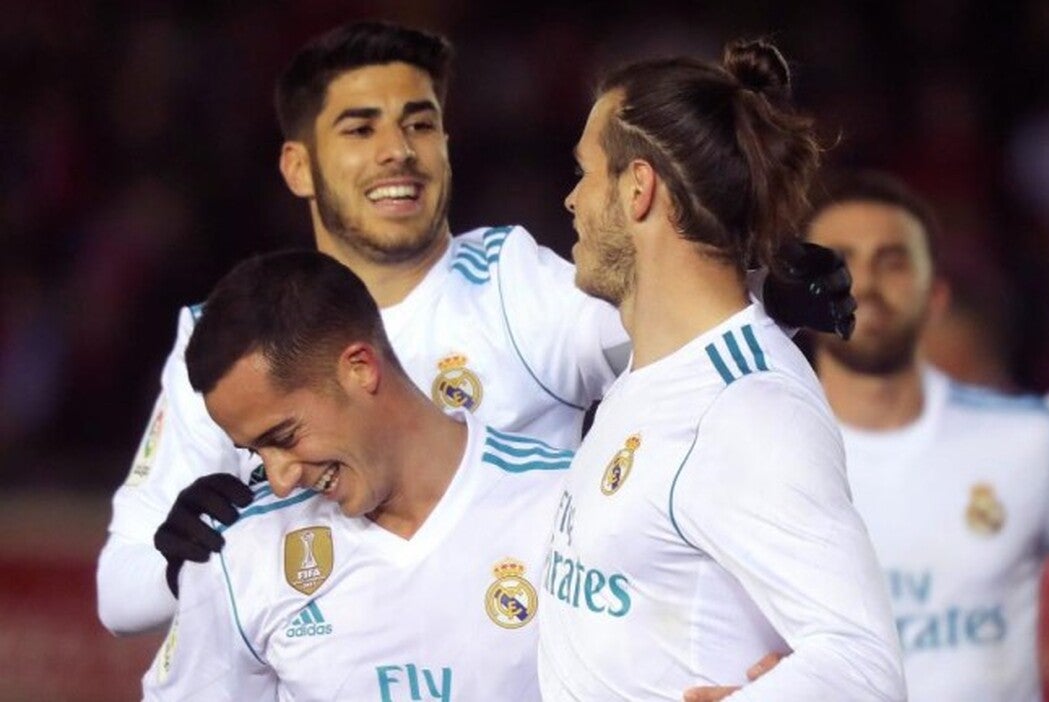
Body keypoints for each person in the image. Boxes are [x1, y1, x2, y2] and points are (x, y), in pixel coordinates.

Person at [98, 20, 854, 636]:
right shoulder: (229, 348)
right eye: (360, 128)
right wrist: (180, 562)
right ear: (298, 167)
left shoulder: (513, 287)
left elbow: (670, 323)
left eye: (420, 123)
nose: (398, 150)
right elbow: (117, 594)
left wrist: (766, 289)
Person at [537, 41, 904, 701]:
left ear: (638, 188)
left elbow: (864, 668)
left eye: (584, 172)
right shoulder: (656, 371)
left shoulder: (748, 409)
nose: (571, 199)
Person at [801, 171, 1049, 701]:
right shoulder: (754, 447)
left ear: (935, 297)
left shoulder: (1028, 440)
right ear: (802, 299)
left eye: (892, 262)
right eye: (841, 261)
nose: (864, 284)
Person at [141, 249, 569, 699]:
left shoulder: (561, 503)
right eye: (255, 452)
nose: (280, 479)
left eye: (284, 436)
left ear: (360, 369)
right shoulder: (242, 551)